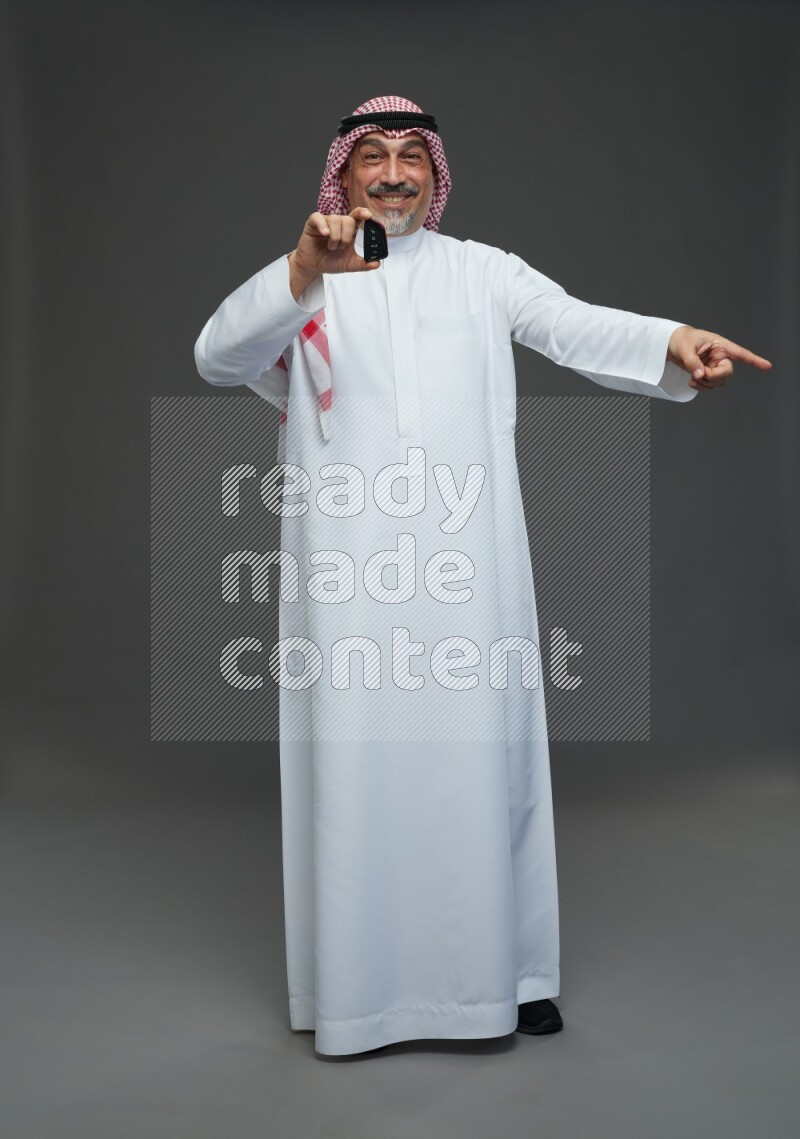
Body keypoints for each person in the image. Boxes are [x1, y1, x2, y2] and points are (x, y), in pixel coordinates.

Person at [193, 95, 773, 1056]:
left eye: (410, 156)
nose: (390, 173)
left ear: (436, 173)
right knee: (361, 764)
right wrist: (303, 272)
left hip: (471, 568)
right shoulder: (306, 275)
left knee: (486, 762)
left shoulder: (482, 272)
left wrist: (670, 341)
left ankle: (509, 976)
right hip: (350, 576)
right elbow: (218, 356)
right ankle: (359, 994)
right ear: (341, 175)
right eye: (370, 156)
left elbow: (575, 325)